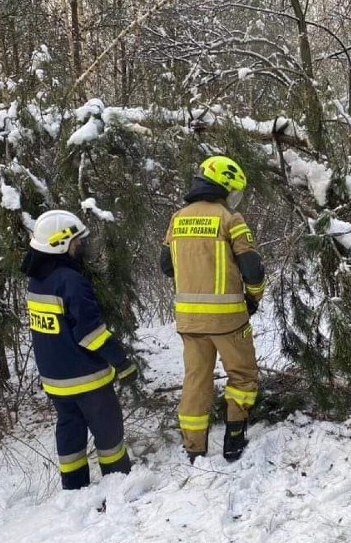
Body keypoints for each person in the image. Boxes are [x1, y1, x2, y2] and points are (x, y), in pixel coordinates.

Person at [160, 155, 266, 462]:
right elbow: (253, 271)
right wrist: (253, 298)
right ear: (223, 187)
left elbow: (167, 266)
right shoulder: (230, 219)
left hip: (189, 321)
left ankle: (195, 449)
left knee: (196, 380)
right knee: (243, 376)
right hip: (229, 321)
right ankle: (234, 438)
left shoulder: (178, 219)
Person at [21, 210, 137, 490]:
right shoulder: (70, 281)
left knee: (70, 431)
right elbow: (90, 334)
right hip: (87, 378)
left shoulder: (37, 280)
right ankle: (118, 481)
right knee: (108, 430)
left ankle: (74, 487)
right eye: (76, 241)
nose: (81, 246)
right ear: (61, 244)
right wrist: (122, 362)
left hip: (55, 381)